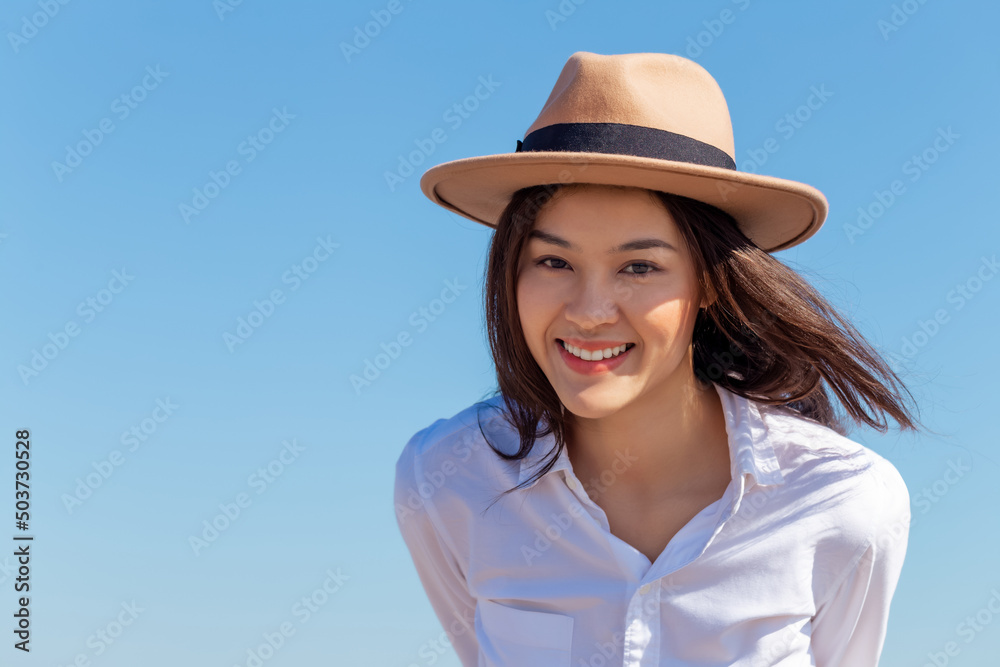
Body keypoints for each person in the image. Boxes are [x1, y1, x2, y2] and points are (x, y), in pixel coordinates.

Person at [394, 51, 923, 666]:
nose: (589, 311)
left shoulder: (844, 502)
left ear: (711, 285)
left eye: (639, 267)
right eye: (554, 261)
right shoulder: (446, 478)